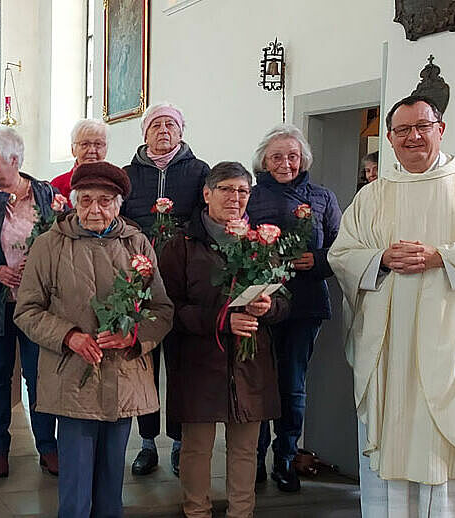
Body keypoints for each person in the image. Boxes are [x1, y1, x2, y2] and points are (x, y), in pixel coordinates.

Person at [329, 95, 455, 518]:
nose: (413, 137)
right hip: (391, 352)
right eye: (402, 130)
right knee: (395, 443)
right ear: (389, 138)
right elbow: (342, 254)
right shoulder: (373, 197)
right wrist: (379, 258)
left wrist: (441, 256)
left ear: (440, 129)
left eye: (422, 126)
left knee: (449, 447)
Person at [14, 161, 174, 517]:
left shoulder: (137, 244)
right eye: (86, 200)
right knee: (74, 492)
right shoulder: (49, 245)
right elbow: (26, 311)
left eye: (105, 200)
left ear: (118, 204)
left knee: (111, 489)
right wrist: (68, 336)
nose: (95, 209)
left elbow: (162, 309)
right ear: (73, 202)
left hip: (123, 376)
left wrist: (134, 336)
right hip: (72, 378)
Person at [162, 161, 289, 518]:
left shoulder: (262, 242)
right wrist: (221, 320)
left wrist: (269, 307)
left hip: (250, 361)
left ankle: (241, 513)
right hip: (199, 360)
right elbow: (168, 307)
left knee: (247, 448)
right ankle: (196, 511)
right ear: (207, 194)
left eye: (243, 191)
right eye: (227, 190)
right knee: (197, 446)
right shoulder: (181, 245)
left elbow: (284, 301)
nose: (236, 198)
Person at [245, 124, 341, 493]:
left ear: (303, 159)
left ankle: (285, 458)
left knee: (293, 385)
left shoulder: (323, 198)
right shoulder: (251, 197)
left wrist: (315, 260)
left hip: (305, 305)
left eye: (292, 156)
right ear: (263, 162)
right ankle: (253, 456)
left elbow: (341, 250)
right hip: (261, 303)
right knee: (257, 381)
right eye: (277, 156)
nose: (286, 162)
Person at [121, 102, 210, 476]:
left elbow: (203, 219)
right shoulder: (128, 174)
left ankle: (177, 441)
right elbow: (120, 219)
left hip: (180, 279)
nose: (163, 130)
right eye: (156, 125)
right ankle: (145, 444)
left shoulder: (199, 171)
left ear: (181, 130)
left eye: (170, 124)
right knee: (144, 364)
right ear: (144, 134)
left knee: (179, 365)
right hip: (137, 281)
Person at [0, 127, 59, 477]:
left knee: (39, 378)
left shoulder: (47, 196)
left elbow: (60, 245)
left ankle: (48, 447)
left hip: (38, 304)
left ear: (14, 159)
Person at [49, 118, 109, 206]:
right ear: (73, 150)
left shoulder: (116, 183)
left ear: (106, 149)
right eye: (85, 144)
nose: (92, 150)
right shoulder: (57, 186)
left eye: (98, 144)